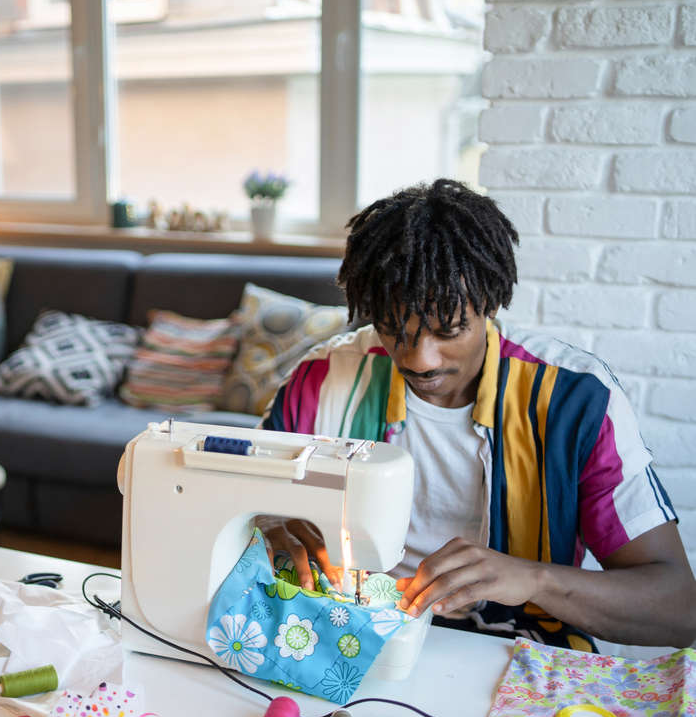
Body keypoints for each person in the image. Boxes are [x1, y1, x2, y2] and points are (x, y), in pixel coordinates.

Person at [258, 179, 695, 651]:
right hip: (345, 641)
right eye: (392, 329)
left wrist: (536, 581)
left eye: (449, 330)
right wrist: (267, 530)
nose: (419, 359)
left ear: (489, 302)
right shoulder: (319, 381)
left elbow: (679, 609)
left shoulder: (574, 400)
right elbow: (243, 512)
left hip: (518, 652)